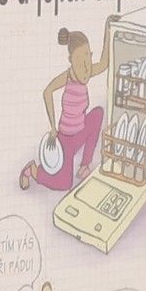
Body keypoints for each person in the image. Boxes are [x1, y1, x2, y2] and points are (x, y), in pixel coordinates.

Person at [20, 21, 116, 192]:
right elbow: (47, 91)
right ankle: (33, 170)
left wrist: (108, 29)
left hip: (80, 132)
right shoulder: (68, 76)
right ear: (71, 60)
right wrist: (52, 127)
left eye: (88, 56)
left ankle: (85, 165)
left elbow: (104, 63)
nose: (86, 64)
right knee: (65, 184)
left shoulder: (88, 72)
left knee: (98, 113)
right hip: (66, 139)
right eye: (79, 59)